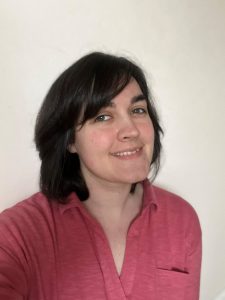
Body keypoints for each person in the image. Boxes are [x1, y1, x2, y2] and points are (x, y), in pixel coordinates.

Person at [0, 52, 202, 300]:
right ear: (70, 140)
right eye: (103, 116)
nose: (131, 130)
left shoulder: (182, 220)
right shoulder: (17, 234)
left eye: (138, 110)